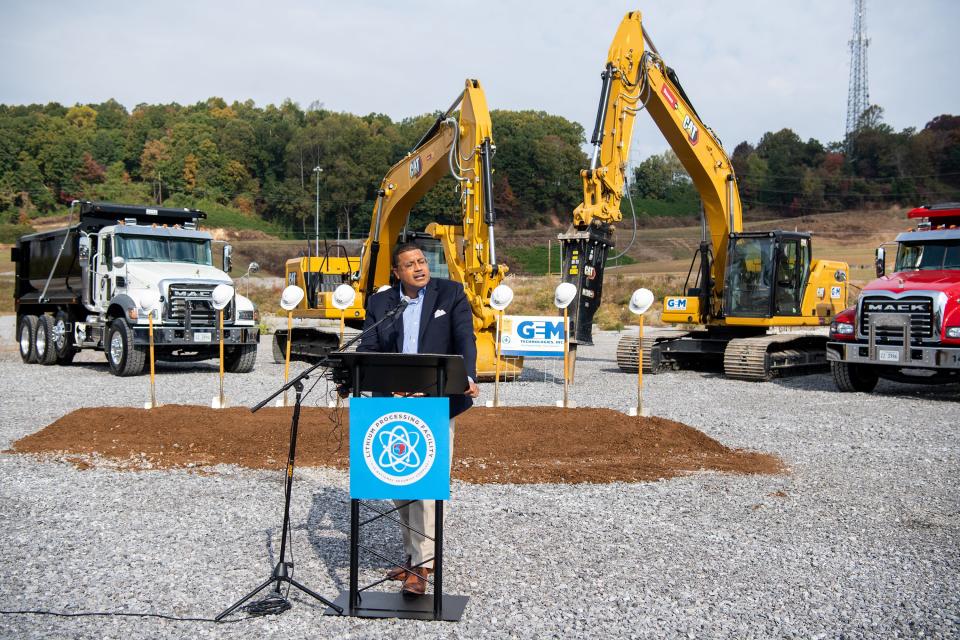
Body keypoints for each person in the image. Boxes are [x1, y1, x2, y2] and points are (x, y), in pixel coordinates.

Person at [357, 241, 479, 597]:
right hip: (392, 404)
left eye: (421, 261)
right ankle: (414, 555)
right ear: (397, 272)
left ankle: (424, 566)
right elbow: (368, 349)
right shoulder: (380, 302)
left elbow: (465, 339)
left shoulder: (451, 293)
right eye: (409, 264)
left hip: (436, 400)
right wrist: (382, 382)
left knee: (426, 486)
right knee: (399, 483)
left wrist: (468, 376)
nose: (419, 268)